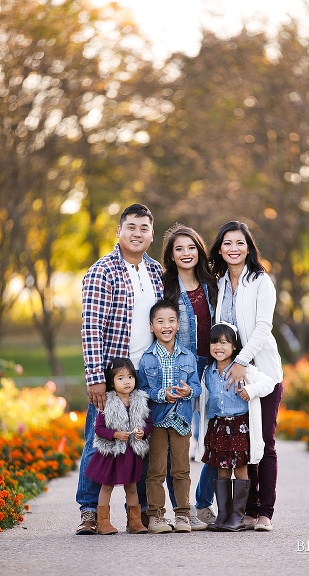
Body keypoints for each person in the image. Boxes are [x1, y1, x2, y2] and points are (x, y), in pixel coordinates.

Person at [77, 203, 163, 535]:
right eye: (131, 227)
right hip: (112, 376)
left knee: (140, 442)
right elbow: (91, 328)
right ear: (119, 231)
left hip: (147, 375)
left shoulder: (155, 271)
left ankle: (136, 515)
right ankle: (88, 511)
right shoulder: (103, 270)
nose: (137, 233)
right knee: (97, 441)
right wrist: (96, 378)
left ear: (151, 234)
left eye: (144, 228)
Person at [209, 221, 284, 530]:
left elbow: (263, 327)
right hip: (230, 378)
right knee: (241, 444)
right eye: (227, 243)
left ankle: (264, 511)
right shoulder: (221, 283)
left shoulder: (260, 281)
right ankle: (246, 512)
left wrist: (241, 360)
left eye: (239, 243)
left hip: (261, 373)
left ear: (249, 247)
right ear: (220, 249)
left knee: (264, 443)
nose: (233, 248)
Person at [161, 223, 218, 528]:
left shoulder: (212, 285)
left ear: (199, 250)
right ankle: (183, 510)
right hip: (180, 370)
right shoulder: (165, 287)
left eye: (191, 247)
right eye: (179, 248)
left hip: (212, 369)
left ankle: (203, 503)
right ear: (171, 255)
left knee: (213, 438)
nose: (186, 253)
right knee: (178, 442)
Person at [195, 322, 277, 531]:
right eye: (214, 342)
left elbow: (268, 383)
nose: (218, 347)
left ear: (234, 347)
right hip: (218, 427)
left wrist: (252, 390)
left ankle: (238, 517)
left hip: (238, 427)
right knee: (222, 471)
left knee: (240, 470)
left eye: (224, 342)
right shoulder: (207, 373)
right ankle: (224, 514)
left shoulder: (246, 369)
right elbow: (202, 398)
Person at [137, 300, 202, 534]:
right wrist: (161, 395)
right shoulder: (147, 358)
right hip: (157, 421)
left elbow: (196, 386)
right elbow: (142, 391)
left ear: (178, 324)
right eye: (160, 321)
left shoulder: (187, 356)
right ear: (151, 326)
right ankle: (156, 516)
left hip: (181, 421)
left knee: (181, 469)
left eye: (171, 321)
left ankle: (183, 514)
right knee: (155, 470)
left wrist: (189, 391)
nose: (166, 326)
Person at [85, 358, 152, 535]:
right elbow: (98, 429)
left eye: (130, 377)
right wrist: (115, 435)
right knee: (106, 486)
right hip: (112, 453)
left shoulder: (140, 401)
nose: (127, 381)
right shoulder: (107, 403)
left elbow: (148, 423)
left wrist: (142, 433)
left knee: (131, 486)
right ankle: (103, 522)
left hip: (131, 452)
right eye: (120, 378)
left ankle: (135, 522)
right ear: (112, 383)